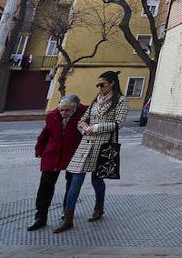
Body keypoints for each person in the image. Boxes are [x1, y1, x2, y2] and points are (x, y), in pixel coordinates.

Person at [54, 71, 128, 233]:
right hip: (86, 143)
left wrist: (97, 128)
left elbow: (119, 123)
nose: (99, 88)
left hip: (104, 145)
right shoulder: (96, 100)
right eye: (98, 85)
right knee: (76, 179)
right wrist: (85, 128)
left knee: (97, 180)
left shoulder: (121, 101)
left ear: (112, 83)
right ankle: (68, 219)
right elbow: (82, 119)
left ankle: (99, 208)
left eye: (103, 85)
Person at [29, 94, 86, 231]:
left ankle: (67, 213)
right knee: (46, 185)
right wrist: (39, 149)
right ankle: (40, 216)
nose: (63, 113)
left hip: (73, 154)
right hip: (52, 154)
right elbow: (45, 133)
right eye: (61, 109)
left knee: (71, 184)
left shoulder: (84, 115)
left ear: (75, 108)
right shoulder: (52, 116)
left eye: (67, 110)